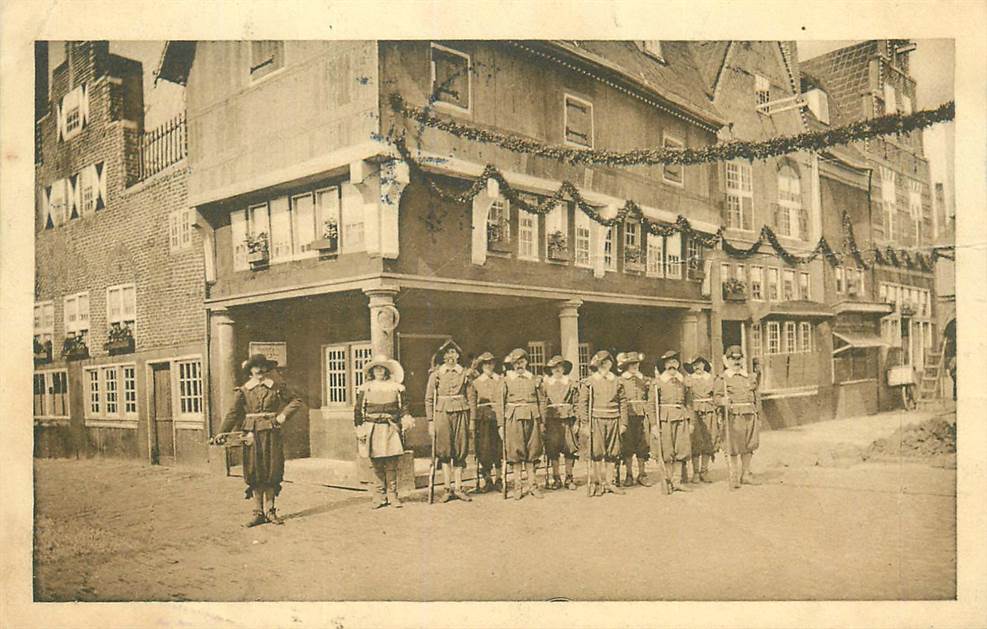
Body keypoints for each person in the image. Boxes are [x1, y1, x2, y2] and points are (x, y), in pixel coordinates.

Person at [215, 353, 303, 527]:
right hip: (252, 435)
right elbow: (233, 413)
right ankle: (258, 513)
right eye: (256, 367)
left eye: (263, 367)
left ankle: (270, 511)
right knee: (255, 470)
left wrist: (282, 416)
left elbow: (296, 400)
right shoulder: (244, 391)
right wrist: (222, 432)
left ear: (267, 369)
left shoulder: (277, 387)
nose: (260, 370)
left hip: (271, 432)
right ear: (250, 371)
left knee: (272, 469)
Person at [354, 354, 415, 510]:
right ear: (372, 371)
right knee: (376, 463)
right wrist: (359, 428)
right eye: (377, 369)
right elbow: (358, 411)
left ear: (387, 371)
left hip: (390, 428)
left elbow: (403, 408)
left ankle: (393, 495)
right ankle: (379, 496)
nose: (379, 371)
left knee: (391, 463)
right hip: (372, 428)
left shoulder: (396, 388)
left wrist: (405, 419)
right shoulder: (365, 388)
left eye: (382, 369)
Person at [425, 339, 473, 503]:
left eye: (453, 353)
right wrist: (431, 421)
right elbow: (429, 399)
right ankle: (447, 488)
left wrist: (471, 420)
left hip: (461, 412)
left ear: (458, 356)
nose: (450, 356)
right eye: (447, 353)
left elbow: (471, 397)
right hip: (442, 414)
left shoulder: (464, 374)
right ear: (443, 356)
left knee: (460, 449)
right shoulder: (436, 375)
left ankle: (459, 488)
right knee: (445, 451)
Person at [497, 348, 546, 500]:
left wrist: (542, 421)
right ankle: (518, 486)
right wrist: (500, 425)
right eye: (516, 362)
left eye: (522, 361)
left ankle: (532, 485)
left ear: (527, 362)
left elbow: (542, 401)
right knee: (515, 452)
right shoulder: (506, 380)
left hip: (533, 418)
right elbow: (500, 403)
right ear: (512, 364)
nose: (519, 365)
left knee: (533, 451)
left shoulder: (534, 379)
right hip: (513, 419)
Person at [577, 350, 628, 497]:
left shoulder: (617, 381)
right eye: (602, 363)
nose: (605, 365)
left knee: (613, 452)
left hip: (614, 418)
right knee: (597, 452)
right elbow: (583, 404)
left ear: (611, 364)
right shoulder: (589, 382)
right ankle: (598, 482)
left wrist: (623, 423)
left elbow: (623, 402)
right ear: (597, 365)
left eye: (607, 362)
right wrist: (585, 424)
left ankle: (610, 483)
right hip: (596, 419)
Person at [713, 345, 760, 489]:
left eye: (739, 359)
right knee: (732, 446)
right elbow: (716, 397)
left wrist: (759, 415)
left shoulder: (750, 377)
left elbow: (757, 398)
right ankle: (733, 475)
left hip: (750, 414)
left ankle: (745, 474)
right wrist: (722, 401)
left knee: (749, 445)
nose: (737, 362)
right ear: (727, 361)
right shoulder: (723, 378)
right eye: (733, 359)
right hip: (733, 416)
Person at [650, 350, 692, 493]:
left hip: (681, 417)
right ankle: (667, 479)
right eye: (669, 363)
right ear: (665, 366)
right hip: (664, 419)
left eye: (674, 362)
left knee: (681, 449)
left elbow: (689, 402)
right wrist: (654, 425)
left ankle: (677, 481)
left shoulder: (683, 382)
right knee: (667, 450)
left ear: (678, 364)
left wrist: (691, 421)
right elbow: (651, 406)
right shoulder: (657, 383)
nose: (672, 366)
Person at [466, 352, 503, 493]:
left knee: (499, 448)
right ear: (481, 366)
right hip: (483, 420)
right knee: (484, 449)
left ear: (494, 364)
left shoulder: (500, 380)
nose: (489, 366)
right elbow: (473, 403)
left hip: (498, 418)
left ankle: (499, 479)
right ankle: (487, 479)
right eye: (486, 363)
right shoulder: (475, 383)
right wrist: (472, 422)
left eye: (491, 363)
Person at [541, 355, 579, 490]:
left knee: (569, 448)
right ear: (550, 369)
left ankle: (569, 477)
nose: (557, 369)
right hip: (551, 420)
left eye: (560, 367)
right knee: (552, 449)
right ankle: (556, 478)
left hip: (568, 419)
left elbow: (577, 403)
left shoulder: (571, 383)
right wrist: (543, 422)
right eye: (554, 367)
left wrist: (577, 422)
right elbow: (542, 403)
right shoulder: (545, 384)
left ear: (564, 369)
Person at [616, 351, 652, 487]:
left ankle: (642, 474)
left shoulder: (645, 379)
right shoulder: (621, 380)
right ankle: (629, 474)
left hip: (642, 415)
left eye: (636, 363)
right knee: (627, 446)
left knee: (643, 445)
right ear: (626, 366)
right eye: (631, 364)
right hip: (627, 415)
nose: (635, 366)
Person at [685, 355, 717, 483]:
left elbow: (718, 394)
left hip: (709, 411)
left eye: (700, 364)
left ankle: (704, 470)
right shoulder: (688, 380)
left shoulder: (712, 379)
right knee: (696, 440)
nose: (697, 367)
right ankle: (696, 472)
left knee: (709, 439)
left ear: (705, 365)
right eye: (694, 365)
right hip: (694, 411)